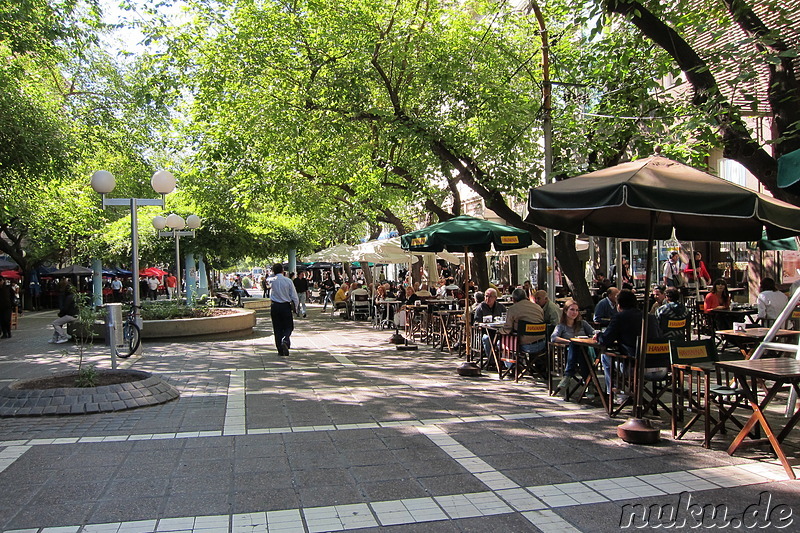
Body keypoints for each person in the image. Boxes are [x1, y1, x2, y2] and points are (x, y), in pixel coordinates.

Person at [595, 289, 663, 402]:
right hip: (660, 366)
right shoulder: (650, 317)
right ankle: (629, 392)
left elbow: (605, 340)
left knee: (605, 356)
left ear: (619, 305)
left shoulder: (620, 318)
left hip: (635, 366)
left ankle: (615, 392)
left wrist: (598, 336)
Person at [552, 299, 596, 392]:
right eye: (572, 310)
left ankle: (568, 375)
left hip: (586, 350)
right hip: (569, 354)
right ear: (565, 311)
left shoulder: (583, 324)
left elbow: (593, 332)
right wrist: (570, 341)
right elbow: (554, 338)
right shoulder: (561, 326)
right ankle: (589, 383)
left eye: (576, 310)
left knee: (580, 349)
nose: (574, 312)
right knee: (575, 345)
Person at [500, 287, 546, 356]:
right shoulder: (538, 307)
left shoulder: (512, 309)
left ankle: (511, 366)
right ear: (526, 297)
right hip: (542, 343)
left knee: (500, 344)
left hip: (525, 346)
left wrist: (499, 331)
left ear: (513, 299)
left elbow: (507, 330)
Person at [268, 263, 299, 356]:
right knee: (289, 326)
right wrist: (296, 307)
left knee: (277, 328)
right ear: (283, 270)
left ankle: (280, 349)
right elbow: (294, 296)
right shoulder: (288, 281)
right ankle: (285, 339)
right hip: (285, 306)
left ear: (273, 271)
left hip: (275, 306)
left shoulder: (271, 280)